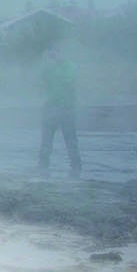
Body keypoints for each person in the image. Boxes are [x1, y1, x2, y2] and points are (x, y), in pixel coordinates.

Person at [37, 45, 82, 176]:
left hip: (66, 108)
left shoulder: (69, 66)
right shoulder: (48, 68)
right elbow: (42, 83)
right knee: (45, 141)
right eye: (52, 54)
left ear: (62, 53)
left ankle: (76, 167)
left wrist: (55, 65)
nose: (54, 56)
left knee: (71, 141)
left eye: (56, 53)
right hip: (50, 108)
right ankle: (42, 167)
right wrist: (46, 63)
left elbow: (68, 80)